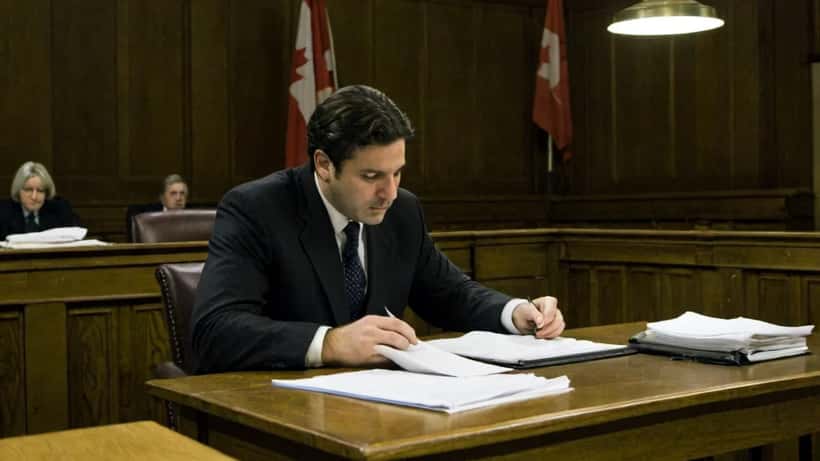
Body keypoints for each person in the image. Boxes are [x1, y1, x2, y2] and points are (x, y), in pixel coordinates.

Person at [191, 85, 564, 373]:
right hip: (281, 408)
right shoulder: (258, 209)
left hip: (381, 409)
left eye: (397, 173)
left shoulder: (403, 211)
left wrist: (514, 312)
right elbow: (214, 331)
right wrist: (330, 343)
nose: (389, 193)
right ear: (324, 164)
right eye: (371, 176)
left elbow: (449, 294)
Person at [0, 161, 79, 241]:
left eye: (40, 191)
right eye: (28, 190)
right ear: (18, 191)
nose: (34, 197)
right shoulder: (3, 212)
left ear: (46, 192)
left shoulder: (60, 209)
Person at [125, 174, 189, 241]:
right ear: (162, 198)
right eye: (173, 193)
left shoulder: (192, 218)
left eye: (182, 193)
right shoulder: (147, 214)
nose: (178, 198)